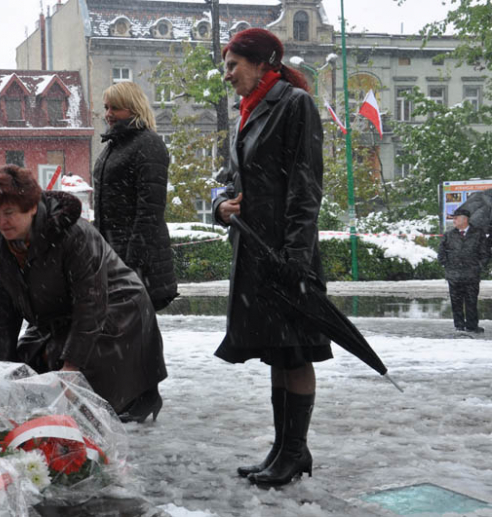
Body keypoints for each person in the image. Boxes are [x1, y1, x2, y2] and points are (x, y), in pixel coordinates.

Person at [211, 28, 331, 487]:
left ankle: (294, 451)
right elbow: (227, 179)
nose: (227, 76)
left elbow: (306, 186)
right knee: (278, 353)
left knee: (295, 353)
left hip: (285, 252)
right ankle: (284, 449)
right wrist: (223, 205)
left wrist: (296, 257)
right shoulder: (248, 111)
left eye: (232, 66)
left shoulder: (294, 105)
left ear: (262, 63)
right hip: (256, 253)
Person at [0, 165, 167, 422]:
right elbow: (3, 303)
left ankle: (135, 397)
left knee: (75, 375)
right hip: (61, 313)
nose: (1, 221)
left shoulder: (74, 234)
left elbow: (90, 303)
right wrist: (3, 366)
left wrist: (72, 366)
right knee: (27, 364)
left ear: (32, 207)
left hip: (118, 309)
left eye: (9, 212)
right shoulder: (2, 241)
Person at [93, 81, 178, 311]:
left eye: (115, 108)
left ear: (133, 108)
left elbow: (150, 210)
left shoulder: (147, 144)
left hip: (136, 264)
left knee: (135, 336)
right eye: (106, 107)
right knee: (122, 336)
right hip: (114, 258)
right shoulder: (114, 144)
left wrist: (131, 264)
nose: (108, 114)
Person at [438, 208, 489, 332]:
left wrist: (478, 266)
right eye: (453, 218)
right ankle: (459, 326)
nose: (454, 220)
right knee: (456, 302)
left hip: (471, 275)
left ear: (464, 219)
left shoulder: (478, 234)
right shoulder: (449, 235)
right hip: (454, 276)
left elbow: (485, 253)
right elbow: (441, 253)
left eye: (456, 218)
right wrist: (448, 267)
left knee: (471, 302)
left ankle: (472, 326)